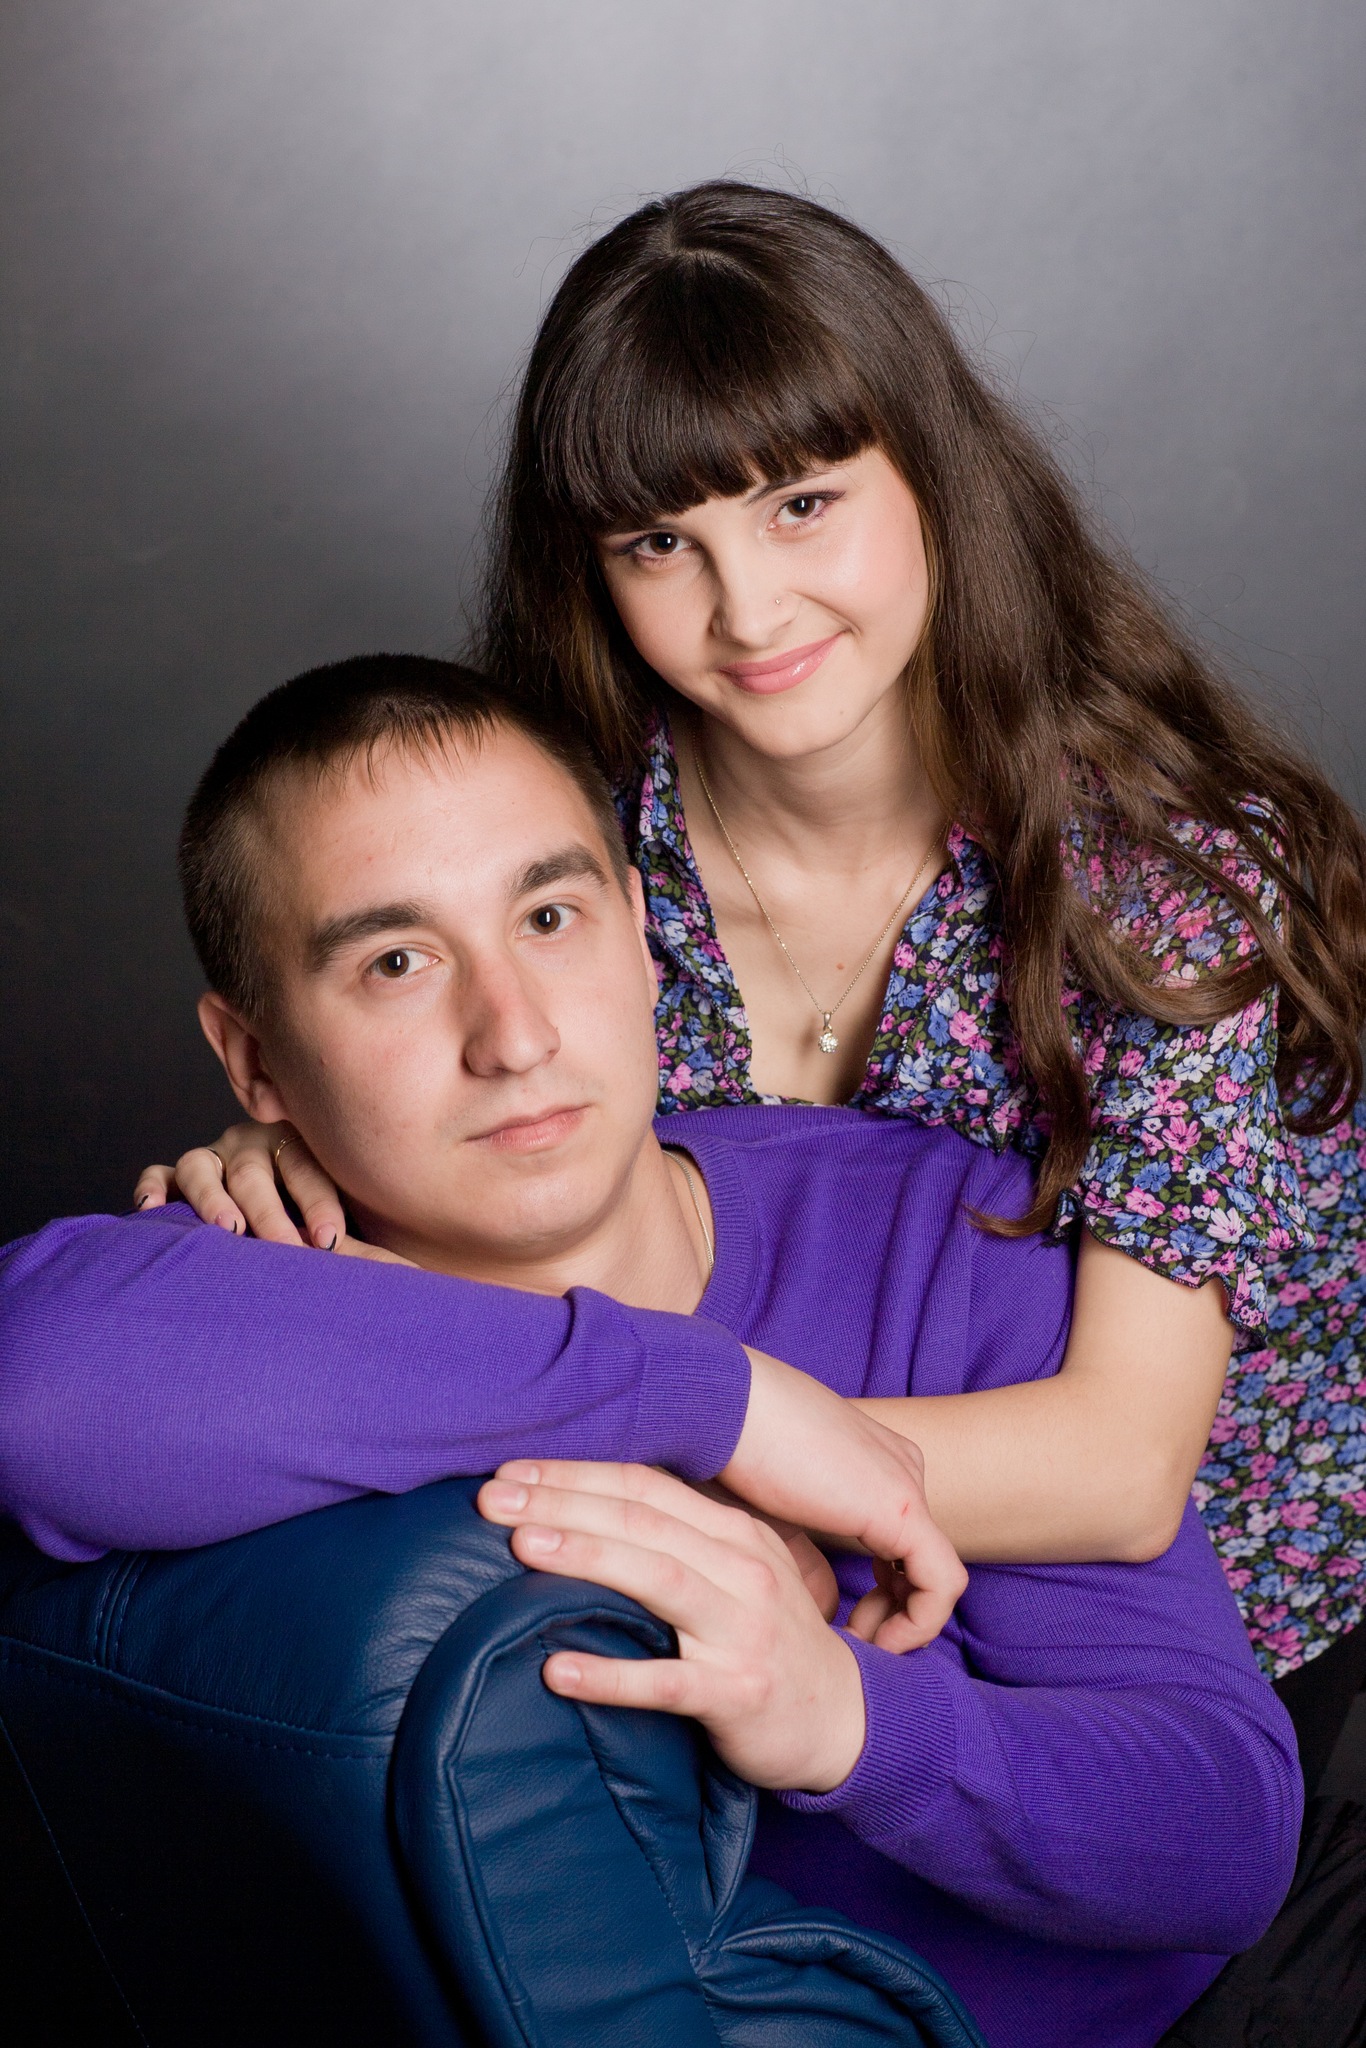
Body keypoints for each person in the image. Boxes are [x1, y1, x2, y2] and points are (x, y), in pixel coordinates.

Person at [144, 184, 1366, 1785]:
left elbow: (1121, 1470)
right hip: (760, 1635)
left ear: (931, 475)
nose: (747, 609)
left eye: (800, 505)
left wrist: (650, 1447)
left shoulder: (1169, 886)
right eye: (661, 543)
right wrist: (307, 1134)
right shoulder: (572, 852)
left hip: (1200, 1669)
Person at [0, 656, 1299, 2048]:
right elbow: (31, 1389)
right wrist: (713, 1405)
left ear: (636, 931)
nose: (513, 1035)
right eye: (396, 963)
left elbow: (1226, 1834)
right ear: (255, 1063)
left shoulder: (944, 1229)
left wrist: (849, 1720)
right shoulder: (263, 1266)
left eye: (549, 917)